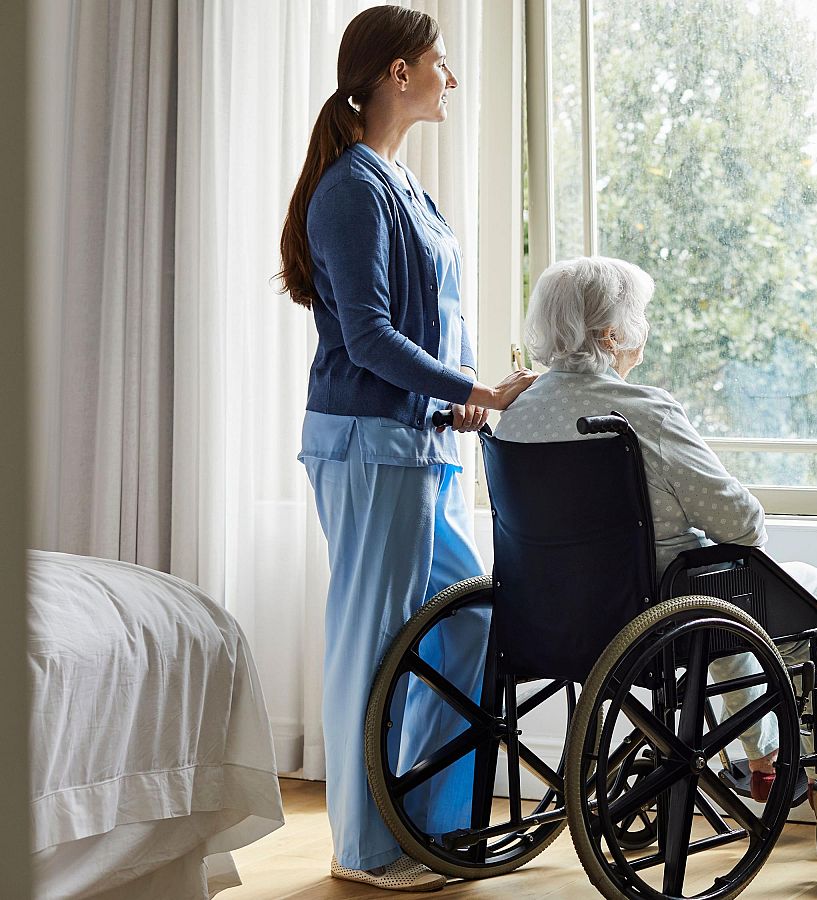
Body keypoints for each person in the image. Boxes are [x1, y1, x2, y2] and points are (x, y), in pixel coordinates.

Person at [277, 6, 535, 891]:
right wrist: (477, 390)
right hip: (367, 447)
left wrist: (454, 399)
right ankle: (365, 849)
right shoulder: (351, 188)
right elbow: (369, 337)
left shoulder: (399, 182)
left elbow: (423, 325)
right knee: (374, 640)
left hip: (413, 443)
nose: (450, 79)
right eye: (439, 63)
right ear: (398, 72)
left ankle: (422, 824)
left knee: (469, 619)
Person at [494, 256, 817, 801]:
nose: (644, 328)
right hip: (654, 616)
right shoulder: (644, 412)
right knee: (791, 587)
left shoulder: (517, 414)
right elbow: (742, 525)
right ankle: (807, 756)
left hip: (545, 616)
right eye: (639, 316)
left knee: (714, 581)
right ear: (611, 334)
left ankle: (764, 755)